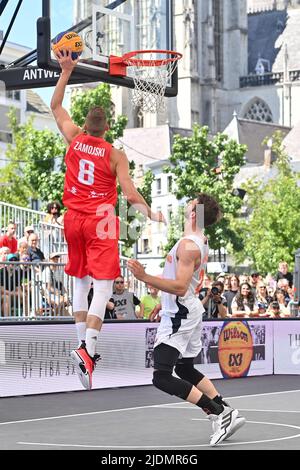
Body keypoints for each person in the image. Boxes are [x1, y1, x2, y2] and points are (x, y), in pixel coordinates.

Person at [51, 49, 165, 390]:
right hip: (100, 220)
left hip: (72, 219)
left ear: (86, 125)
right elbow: (130, 195)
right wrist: (150, 212)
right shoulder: (116, 155)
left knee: (79, 284)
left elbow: (56, 107)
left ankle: (80, 352)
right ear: (109, 128)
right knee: (102, 288)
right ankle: (89, 350)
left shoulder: (74, 137)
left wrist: (67, 70)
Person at [128, 193, 244, 446]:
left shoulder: (188, 245)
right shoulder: (198, 241)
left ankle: (219, 413)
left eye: (190, 204)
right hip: (184, 309)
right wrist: (163, 301)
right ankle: (226, 410)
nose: (185, 206)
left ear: (194, 213)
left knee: (161, 376)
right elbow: (186, 283)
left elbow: (180, 286)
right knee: (184, 368)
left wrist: (144, 277)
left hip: (180, 312)